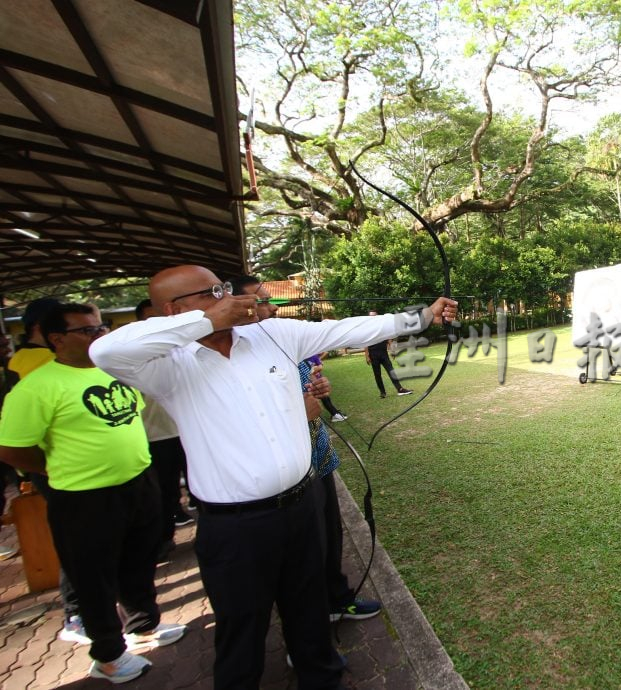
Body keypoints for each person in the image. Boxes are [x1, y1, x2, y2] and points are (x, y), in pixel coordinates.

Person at [89, 265, 457, 689]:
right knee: (242, 630)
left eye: (224, 288)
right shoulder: (164, 365)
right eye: (212, 291)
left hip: (300, 507)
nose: (227, 296)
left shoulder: (273, 336)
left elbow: (348, 329)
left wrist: (424, 316)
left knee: (310, 614)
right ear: (173, 309)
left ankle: (321, 678)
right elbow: (105, 352)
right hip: (234, 528)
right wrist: (208, 320)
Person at [0, 303, 185, 684]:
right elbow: (13, 448)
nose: (99, 335)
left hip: (137, 482)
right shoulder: (37, 385)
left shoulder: (112, 370)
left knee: (139, 559)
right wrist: (52, 468)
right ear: (57, 339)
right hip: (84, 496)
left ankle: (142, 627)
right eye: (87, 330)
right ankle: (108, 655)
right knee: (93, 576)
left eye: (101, 327)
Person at [231, 276, 382, 624]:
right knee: (305, 553)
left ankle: (336, 599)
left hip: (318, 457)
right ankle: (310, 624)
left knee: (329, 536)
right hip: (289, 474)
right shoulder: (233, 356)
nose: (272, 307)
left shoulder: (278, 341)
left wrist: (317, 388)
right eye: (262, 300)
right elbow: (252, 423)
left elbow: (307, 380)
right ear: (235, 305)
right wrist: (297, 413)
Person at [2, 297, 88, 643]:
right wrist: (45, 467)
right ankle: (76, 614)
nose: (95, 336)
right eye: (85, 329)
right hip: (60, 468)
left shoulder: (65, 362)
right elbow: (17, 438)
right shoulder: (30, 364)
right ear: (48, 330)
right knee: (77, 541)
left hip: (87, 467)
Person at [135, 300, 194, 562]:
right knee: (165, 491)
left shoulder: (184, 348)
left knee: (197, 483)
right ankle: (164, 538)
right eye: (149, 319)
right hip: (156, 436)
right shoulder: (134, 357)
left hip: (188, 431)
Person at [364, 311, 412, 398]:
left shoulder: (382, 327)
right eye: (371, 316)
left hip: (383, 353)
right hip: (373, 355)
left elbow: (389, 340)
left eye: (375, 316)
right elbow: (366, 343)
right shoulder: (367, 328)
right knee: (377, 374)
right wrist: (367, 356)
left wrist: (392, 351)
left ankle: (400, 389)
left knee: (391, 371)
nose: (373, 317)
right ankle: (382, 392)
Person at [305, 352, 348, 421]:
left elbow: (320, 366)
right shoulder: (302, 360)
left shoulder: (314, 356)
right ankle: (335, 414)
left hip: (319, 380)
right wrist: (313, 370)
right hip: (312, 384)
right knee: (324, 400)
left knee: (327, 398)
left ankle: (335, 413)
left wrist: (313, 369)